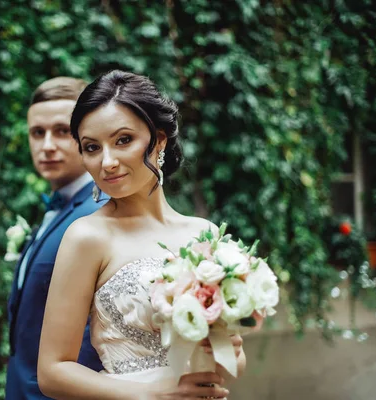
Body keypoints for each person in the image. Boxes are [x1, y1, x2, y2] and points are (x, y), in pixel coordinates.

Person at [37, 70, 246, 399]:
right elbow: (52, 372)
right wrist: (148, 396)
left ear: (159, 139)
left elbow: (230, 367)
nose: (107, 162)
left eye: (123, 140)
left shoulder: (205, 234)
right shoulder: (87, 237)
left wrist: (229, 347)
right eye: (92, 147)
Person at [6, 77, 106, 400]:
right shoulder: (58, 210)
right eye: (38, 133)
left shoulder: (100, 215)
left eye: (62, 131)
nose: (47, 145)